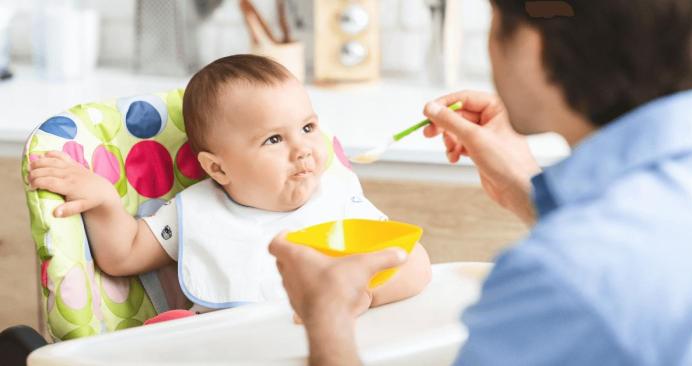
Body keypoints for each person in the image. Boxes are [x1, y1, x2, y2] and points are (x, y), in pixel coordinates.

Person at [269, 0, 692, 364]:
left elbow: (591, 277)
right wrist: (524, 189)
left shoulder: (561, 274)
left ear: (534, 44)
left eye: (493, 24)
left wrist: (327, 321)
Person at [27, 54, 431, 316]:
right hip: (230, 351)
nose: (303, 149)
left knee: (419, 261)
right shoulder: (196, 211)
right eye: (274, 139)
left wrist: (363, 295)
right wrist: (103, 202)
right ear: (218, 169)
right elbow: (124, 255)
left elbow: (408, 260)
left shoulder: (336, 194)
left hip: (333, 347)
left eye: (307, 127)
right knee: (169, 327)